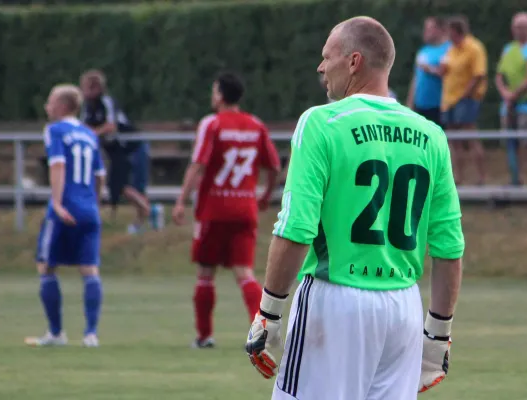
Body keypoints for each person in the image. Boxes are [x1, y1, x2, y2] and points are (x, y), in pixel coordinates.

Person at [245, 17, 464, 400]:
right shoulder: (431, 135)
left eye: (326, 57)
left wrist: (270, 311)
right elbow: (448, 246)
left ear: (353, 61)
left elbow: (296, 227)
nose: (320, 67)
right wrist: (438, 334)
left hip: (335, 302)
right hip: (403, 308)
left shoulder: (321, 123)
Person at [172, 72, 281, 348]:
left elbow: (197, 163)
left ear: (220, 95)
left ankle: (204, 336)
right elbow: (275, 166)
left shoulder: (212, 123)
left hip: (213, 209)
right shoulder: (255, 125)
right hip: (245, 208)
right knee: (244, 272)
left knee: (206, 274)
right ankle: (262, 333)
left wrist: (180, 201)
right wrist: (266, 194)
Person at [25, 84, 106, 348]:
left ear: (62, 106)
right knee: (89, 270)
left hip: (65, 207)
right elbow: (100, 175)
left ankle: (57, 333)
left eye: (50, 102)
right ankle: (90, 334)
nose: (47, 107)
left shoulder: (54, 130)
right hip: (89, 209)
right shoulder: (89, 134)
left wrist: (58, 203)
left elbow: (58, 165)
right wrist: (94, 202)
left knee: (46, 266)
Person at [79, 70, 161, 233]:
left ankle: (146, 217)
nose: (83, 92)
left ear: (96, 88)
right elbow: (83, 126)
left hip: (133, 147)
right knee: (118, 185)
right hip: (117, 152)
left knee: (133, 186)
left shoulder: (107, 102)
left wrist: (93, 133)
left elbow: (111, 126)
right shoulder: (87, 107)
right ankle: (149, 213)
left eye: (86, 88)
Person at [495, 12, 527, 186]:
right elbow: (499, 75)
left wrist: (514, 94)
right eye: (515, 27)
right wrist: (505, 93)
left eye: (521, 27)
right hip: (510, 102)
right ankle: (515, 178)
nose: (517, 30)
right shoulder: (508, 49)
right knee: (511, 141)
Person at [440, 16, 488, 185]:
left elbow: (479, 74)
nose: (447, 35)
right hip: (449, 101)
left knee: (470, 135)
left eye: (449, 32)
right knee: (453, 139)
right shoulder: (451, 50)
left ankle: (481, 177)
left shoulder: (474, 47)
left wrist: (464, 96)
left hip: (466, 99)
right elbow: (444, 71)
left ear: (456, 31)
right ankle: (458, 177)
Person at [407, 16, 451, 127]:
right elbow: (416, 78)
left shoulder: (450, 49)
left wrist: (430, 69)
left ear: (439, 30)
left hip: (439, 106)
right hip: (420, 105)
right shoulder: (423, 51)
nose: (425, 32)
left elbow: (449, 75)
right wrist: (410, 103)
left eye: (429, 29)